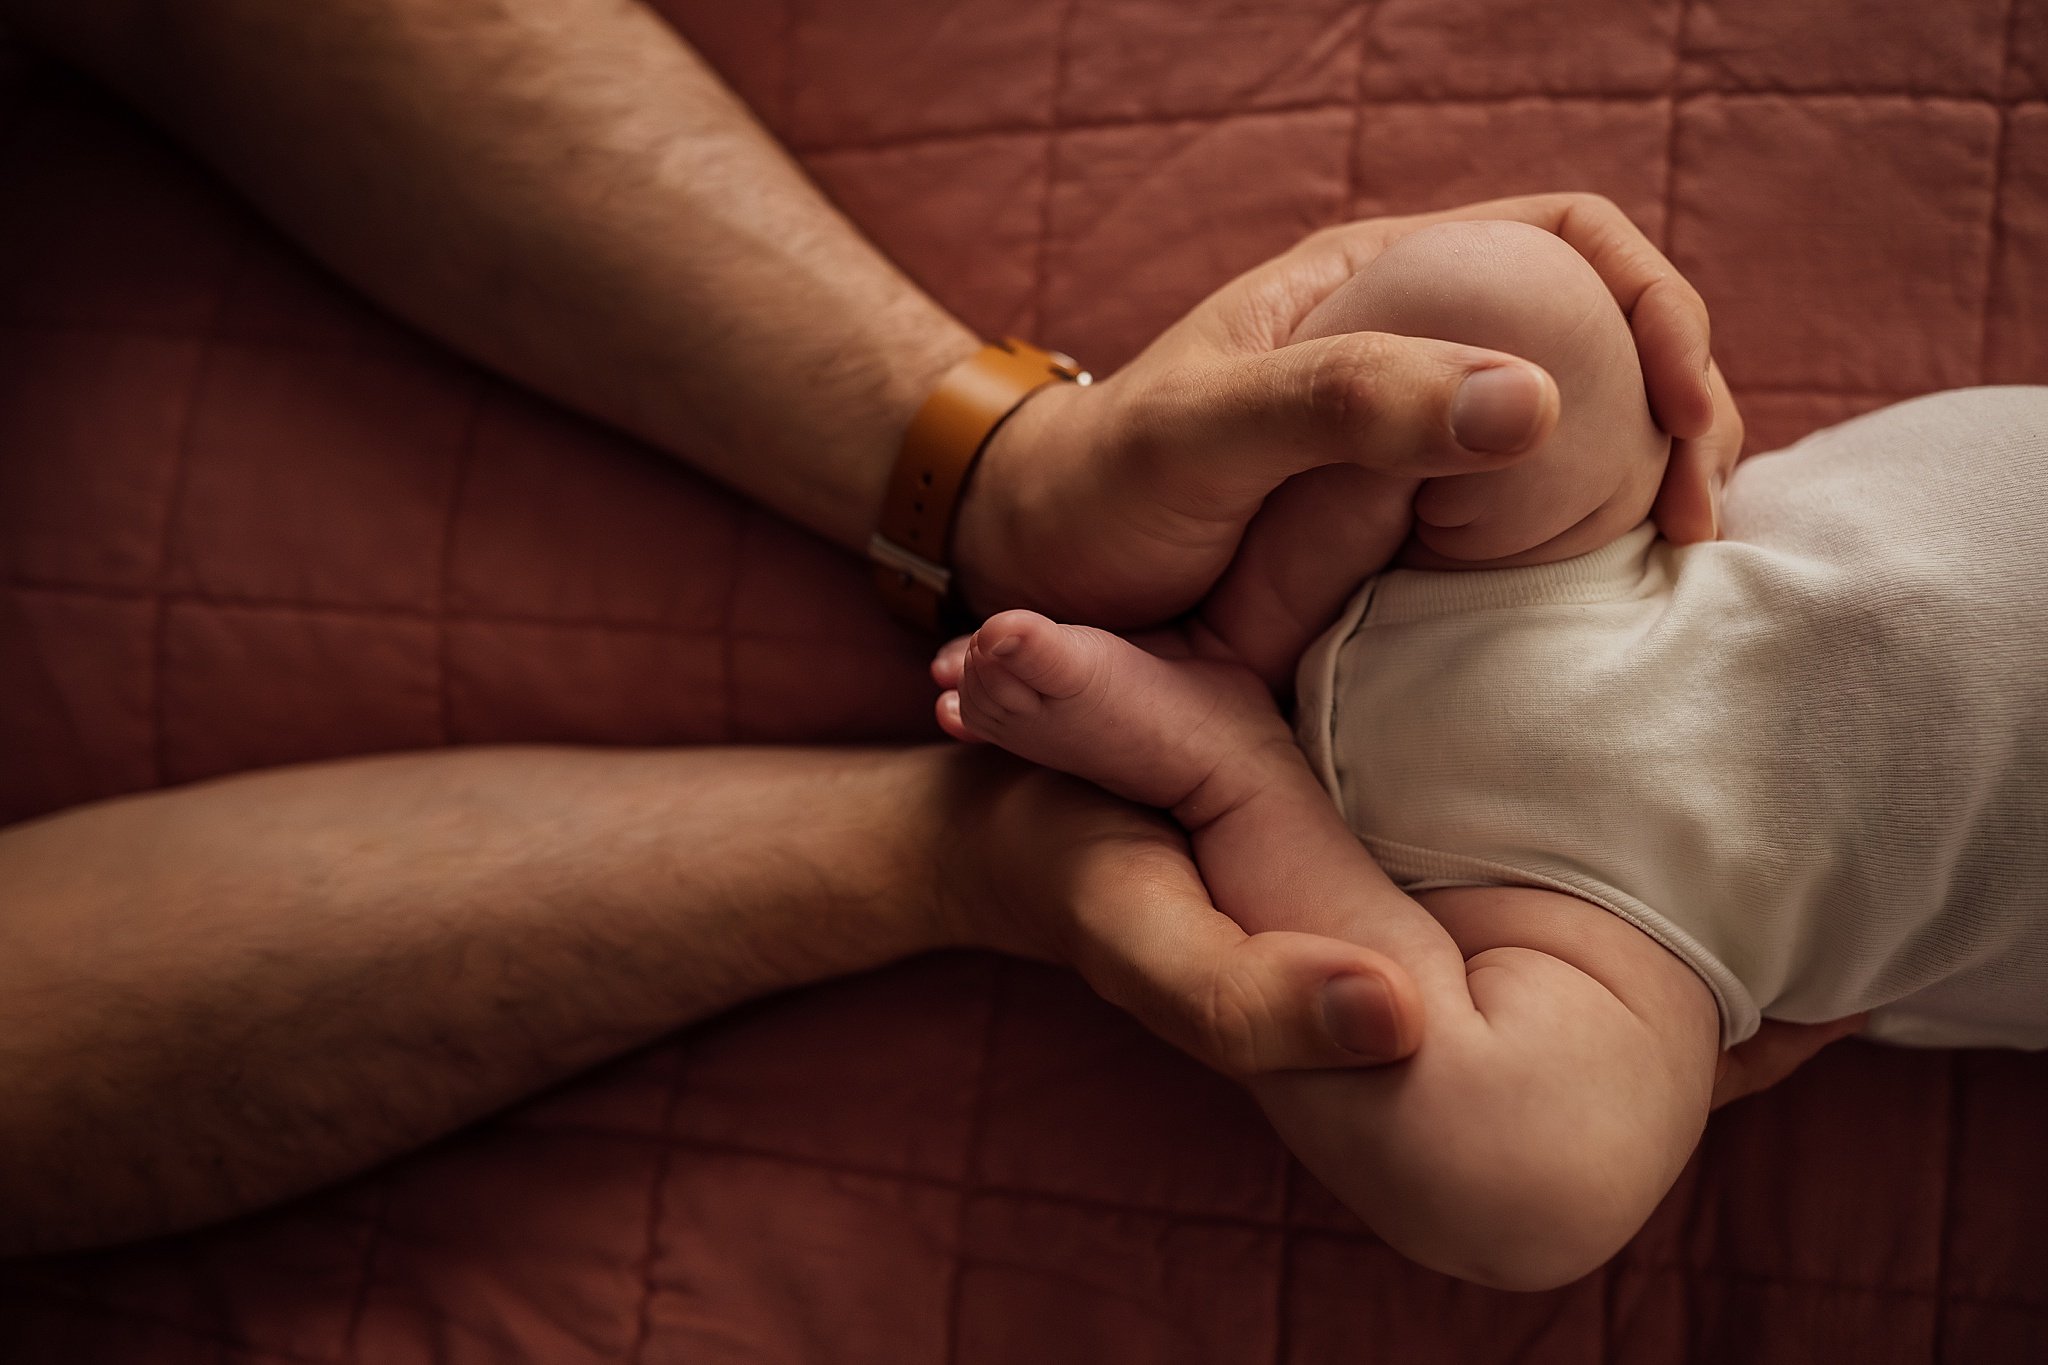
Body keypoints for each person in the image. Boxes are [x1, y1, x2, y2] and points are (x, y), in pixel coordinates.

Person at [0, 0, 1776, 1257]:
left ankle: (1063, 579)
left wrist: (1004, 468)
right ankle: (1091, 782)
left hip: (1626, 832)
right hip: (1616, 759)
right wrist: (961, 855)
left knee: (1490, 339)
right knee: (1498, 324)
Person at [937, 218, 2044, 1290]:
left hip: (1629, 933)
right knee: (1497, 299)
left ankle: (1236, 776)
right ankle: (1236, 641)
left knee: (1525, 1180)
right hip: (1598, 561)